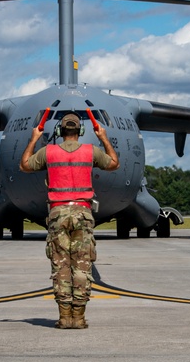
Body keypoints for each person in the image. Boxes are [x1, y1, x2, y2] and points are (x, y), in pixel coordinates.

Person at [20, 111, 119, 329]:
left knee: (61, 266)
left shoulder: (49, 152)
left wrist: (34, 138)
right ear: (80, 131)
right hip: (82, 213)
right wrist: (103, 137)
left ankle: (65, 317)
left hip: (58, 214)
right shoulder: (90, 151)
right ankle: (79, 317)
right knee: (82, 267)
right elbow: (113, 163)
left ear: (60, 131)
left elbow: (25, 165)